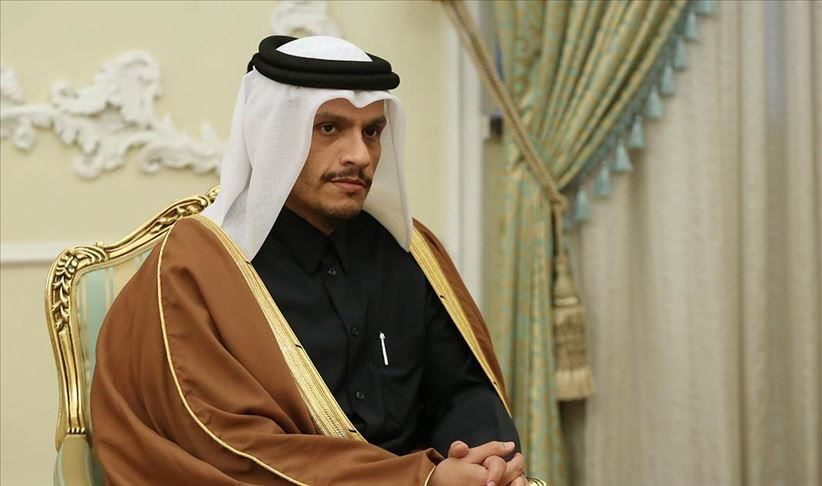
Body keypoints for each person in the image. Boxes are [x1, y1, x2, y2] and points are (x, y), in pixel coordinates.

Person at [91, 35, 532, 485]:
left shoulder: (406, 252)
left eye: (372, 131)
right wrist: (418, 479)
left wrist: (486, 463)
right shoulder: (196, 266)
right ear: (274, 134)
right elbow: (224, 445)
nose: (359, 155)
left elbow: (462, 388)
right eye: (329, 128)